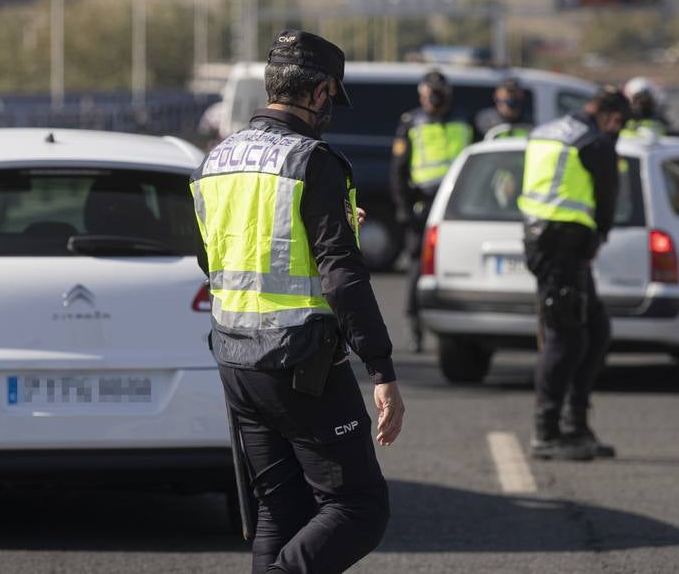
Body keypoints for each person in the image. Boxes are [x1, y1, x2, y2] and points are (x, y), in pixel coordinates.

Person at [191, 30, 403, 574]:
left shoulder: (216, 161)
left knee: (280, 512)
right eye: (332, 96)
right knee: (358, 507)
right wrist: (381, 368)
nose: (331, 108)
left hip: (236, 361)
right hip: (300, 363)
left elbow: (211, 260)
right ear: (319, 92)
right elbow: (342, 274)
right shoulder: (312, 161)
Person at [518, 86, 629, 462]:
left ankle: (575, 423)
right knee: (566, 338)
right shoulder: (595, 142)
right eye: (620, 124)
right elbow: (607, 200)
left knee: (595, 330)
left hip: (548, 240)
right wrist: (599, 236)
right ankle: (546, 431)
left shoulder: (546, 130)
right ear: (612, 116)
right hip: (562, 246)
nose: (619, 130)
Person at [390, 70, 475, 352]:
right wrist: (403, 207)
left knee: (459, 262)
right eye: (430, 95)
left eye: (439, 95)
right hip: (423, 204)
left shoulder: (465, 120)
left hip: (458, 204)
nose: (434, 101)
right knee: (417, 264)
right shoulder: (412, 122)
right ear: (421, 95)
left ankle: (458, 327)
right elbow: (399, 171)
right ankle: (414, 324)